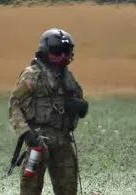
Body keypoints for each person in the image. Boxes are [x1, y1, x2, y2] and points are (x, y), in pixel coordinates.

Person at [8, 28, 89, 195]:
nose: (63, 57)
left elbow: (79, 100)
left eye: (66, 52)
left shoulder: (67, 78)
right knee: (30, 188)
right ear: (47, 51)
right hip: (38, 141)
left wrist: (79, 106)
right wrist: (26, 133)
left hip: (63, 140)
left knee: (68, 188)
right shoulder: (32, 76)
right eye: (58, 52)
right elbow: (15, 105)